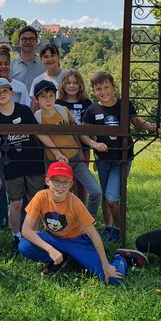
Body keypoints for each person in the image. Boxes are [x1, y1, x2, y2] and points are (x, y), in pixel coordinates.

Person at [81, 71, 161, 241]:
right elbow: (84, 133)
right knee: (105, 196)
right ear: (93, 90)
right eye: (98, 88)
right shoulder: (92, 110)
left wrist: (155, 128)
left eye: (106, 87)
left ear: (114, 87)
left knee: (112, 197)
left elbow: (138, 123)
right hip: (103, 159)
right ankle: (108, 228)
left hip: (122, 158)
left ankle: (119, 229)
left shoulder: (125, 105)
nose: (103, 91)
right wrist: (94, 145)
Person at [0, 78, 68, 250]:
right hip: (12, 165)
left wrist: (57, 152)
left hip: (32, 161)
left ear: (11, 92)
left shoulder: (23, 110)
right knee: (16, 203)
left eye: (4, 91)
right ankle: (16, 235)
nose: (1, 95)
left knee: (35, 200)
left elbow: (39, 133)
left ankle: (35, 234)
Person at [18, 161, 127, 284]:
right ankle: (63, 257)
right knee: (24, 245)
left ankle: (121, 258)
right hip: (53, 239)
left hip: (77, 241)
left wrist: (106, 266)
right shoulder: (40, 197)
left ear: (71, 184)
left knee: (113, 280)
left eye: (65, 182)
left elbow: (94, 235)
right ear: (47, 181)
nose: (60, 186)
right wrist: (50, 249)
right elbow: (26, 230)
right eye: (56, 181)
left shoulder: (75, 202)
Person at [33, 80, 102, 219]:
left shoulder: (63, 110)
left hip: (75, 158)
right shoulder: (37, 117)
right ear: (36, 99)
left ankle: (87, 222)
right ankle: (59, 225)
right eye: (43, 96)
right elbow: (44, 139)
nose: (48, 99)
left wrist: (80, 151)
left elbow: (74, 132)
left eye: (51, 95)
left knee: (95, 192)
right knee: (57, 196)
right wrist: (58, 154)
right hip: (54, 163)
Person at [0, 44, 30, 230]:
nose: (3, 67)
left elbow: (25, 113)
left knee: (21, 181)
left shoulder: (19, 88)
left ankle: (24, 219)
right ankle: (1, 221)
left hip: (20, 142)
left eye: (6, 64)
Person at [56, 69, 93, 203]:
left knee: (82, 181)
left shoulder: (87, 103)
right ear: (63, 86)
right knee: (65, 179)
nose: (72, 86)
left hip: (83, 147)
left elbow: (92, 127)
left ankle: (81, 208)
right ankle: (66, 208)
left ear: (80, 85)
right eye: (68, 83)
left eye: (75, 83)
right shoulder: (58, 104)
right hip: (64, 148)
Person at [29, 43, 66, 111]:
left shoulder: (68, 76)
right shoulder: (37, 81)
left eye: (52, 55)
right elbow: (35, 107)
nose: (49, 59)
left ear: (59, 57)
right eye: (46, 57)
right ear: (41, 60)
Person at [10, 25, 45, 93]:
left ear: (37, 42)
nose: (28, 42)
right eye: (24, 39)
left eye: (31, 39)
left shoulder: (44, 65)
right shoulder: (10, 66)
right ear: (19, 42)